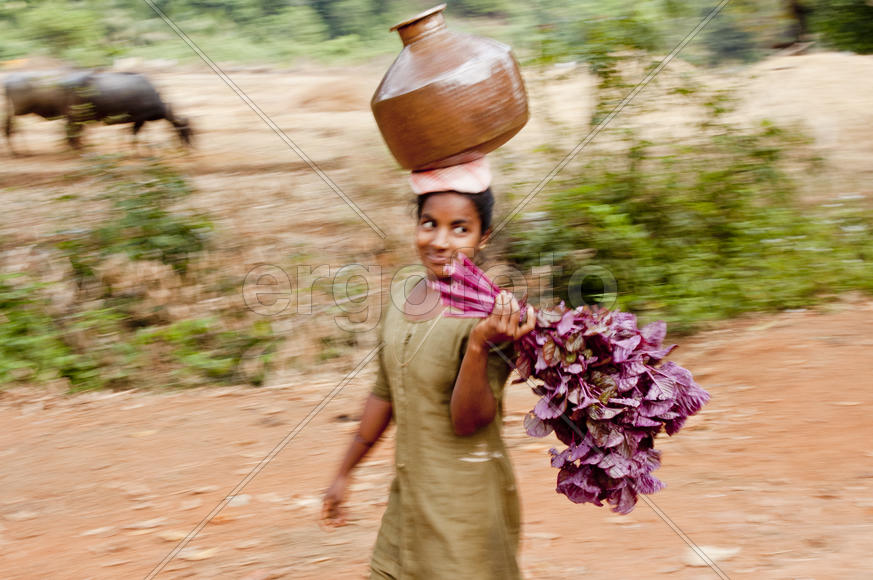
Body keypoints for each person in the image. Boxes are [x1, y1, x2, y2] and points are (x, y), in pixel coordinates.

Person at [321, 158, 536, 579]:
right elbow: (385, 393)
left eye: (460, 228)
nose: (440, 241)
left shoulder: (490, 315)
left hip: (465, 512)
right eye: (428, 223)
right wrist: (344, 473)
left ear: (482, 236)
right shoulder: (403, 293)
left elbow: (468, 421)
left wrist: (478, 345)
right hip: (410, 502)